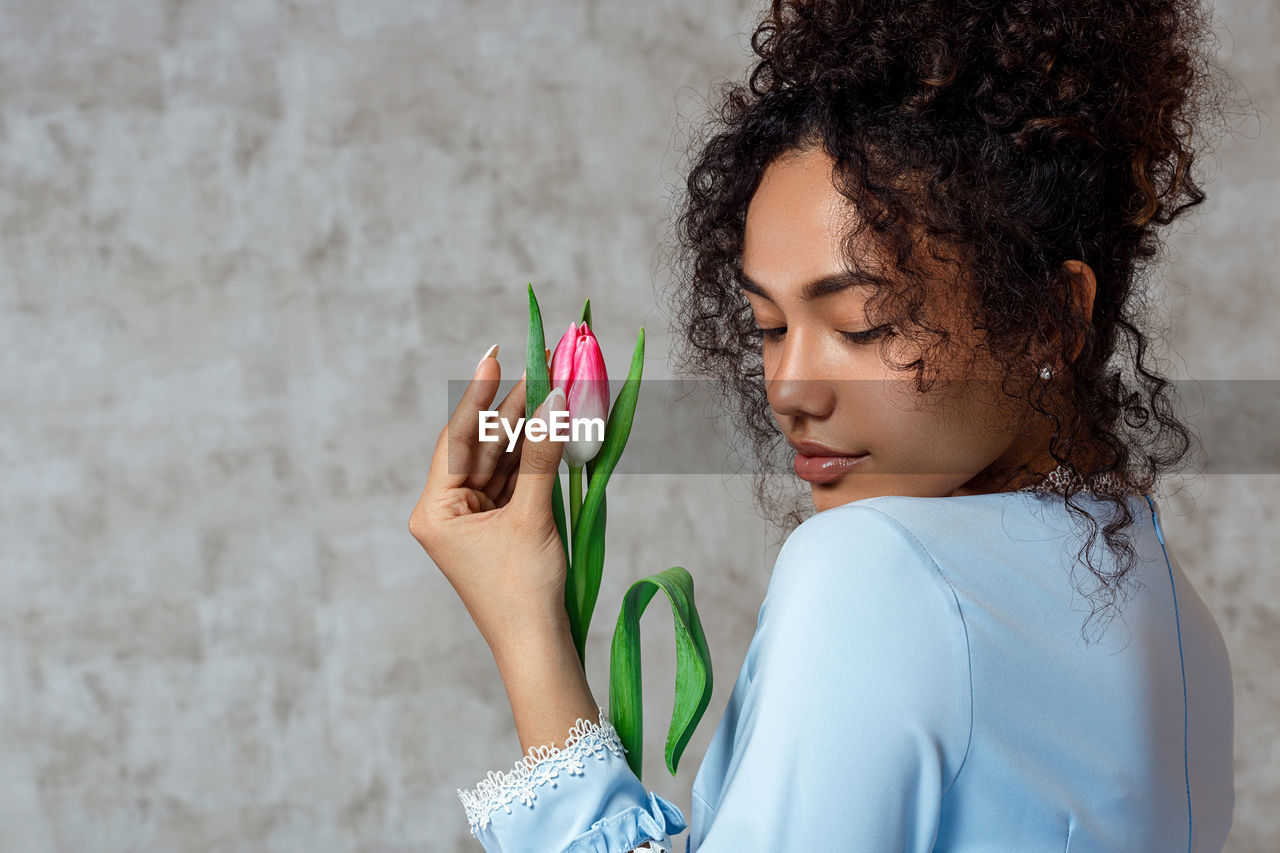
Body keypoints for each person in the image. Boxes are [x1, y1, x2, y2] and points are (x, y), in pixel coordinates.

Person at [410, 0, 1242, 849]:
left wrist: (524, 624)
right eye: (768, 327)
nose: (788, 391)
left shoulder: (877, 569)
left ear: (1050, 318)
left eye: (863, 326)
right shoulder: (1172, 613)